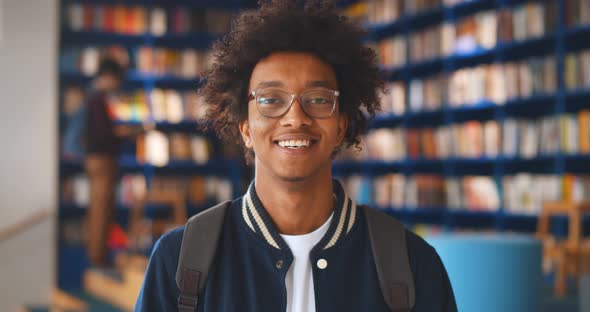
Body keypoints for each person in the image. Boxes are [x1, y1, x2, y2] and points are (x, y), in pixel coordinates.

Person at [135, 1, 457, 311]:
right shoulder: (179, 260)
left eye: (317, 99)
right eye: (271, 99)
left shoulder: (411, 263)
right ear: (245, 128)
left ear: (341, 126)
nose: (295, 118)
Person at [84, 57, 126, 267]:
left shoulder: (94, 98)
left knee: (99, 207)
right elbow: (102, 134)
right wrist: (121, 134)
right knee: (101, 208)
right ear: (108, 77)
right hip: (102, 159)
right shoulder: (98, 99)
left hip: (96, 159)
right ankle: (98, 259)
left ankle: (98, 256)